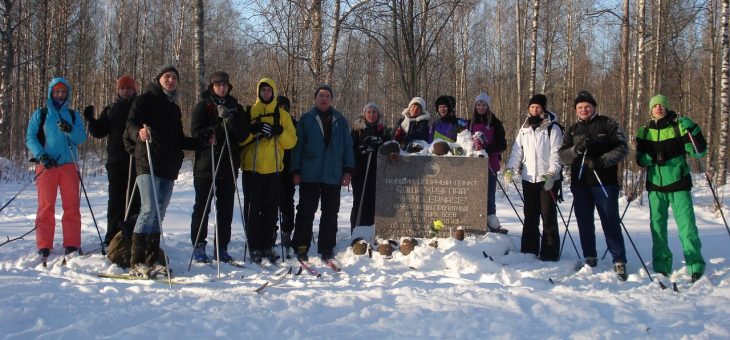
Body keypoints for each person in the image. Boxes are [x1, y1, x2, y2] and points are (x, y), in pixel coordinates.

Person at [124, 65, 197, 277]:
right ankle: (136, 260)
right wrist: (139, 132)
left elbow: (178, 139)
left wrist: (201, 142)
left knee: (160, 212)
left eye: (175, 77)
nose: (171, 80)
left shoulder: (174, 108)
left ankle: (152, 257)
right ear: (159, 79)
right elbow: (130, 124)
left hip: (168, 166)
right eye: (167, 76)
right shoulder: (145, 100)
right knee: (148, 209)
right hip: (147, 162)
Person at [558, 90, 628, 281]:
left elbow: (622, 148)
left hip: (604, 182)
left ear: (594, 107)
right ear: (576, 110)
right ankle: (590, 257)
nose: (583, 110)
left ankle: (619, 259)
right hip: (581, 183)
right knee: (584, 222)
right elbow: (563, 156)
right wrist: (576, 149)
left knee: (610, 220)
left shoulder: (608, 123)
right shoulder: (572, 130)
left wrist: (601, 161)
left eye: (587, 106)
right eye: (580, 107)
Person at [636, 94, 706, 282]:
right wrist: (646, 159)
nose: (658, 108)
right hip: (655, 186)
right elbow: (639, 158)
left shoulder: (679, 127)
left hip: (679, 184)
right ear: (650, 110)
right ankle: (661, 265)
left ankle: (695, 265)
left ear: (666, 108)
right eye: (655, 106)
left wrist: (694, 128)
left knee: (687, 227)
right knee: (657, 228)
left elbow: (699, 151)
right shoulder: (644, 131)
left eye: (662, 105)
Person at [189, 71, 249, 263]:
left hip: (229, 165)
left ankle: (221, 246)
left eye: (224, 84)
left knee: (226, 209)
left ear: (229, 86)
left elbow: (243, 135)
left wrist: (231, 122)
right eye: (218, 85)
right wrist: (216, 129)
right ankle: (199, 245)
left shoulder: (236, 107)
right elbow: (196, 132)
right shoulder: (204, 106)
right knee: (203, 207)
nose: (222, 87)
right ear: (212, 87)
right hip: (206, 165)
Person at [291, 84, 355, 261]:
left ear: (331, 99)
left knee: (330, 212)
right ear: (315, 98)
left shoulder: (340, 121)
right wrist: (295, 170)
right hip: (310, 173)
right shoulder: (306, 119)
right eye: (321, 95)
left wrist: (348, 170)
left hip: (332, 174)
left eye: (327, 96)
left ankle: (326, 246)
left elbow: (348, 147)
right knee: (305, 211)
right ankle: (301, 245)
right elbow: (298, 147)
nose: (324, 98)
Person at [26, 77, 87, 258]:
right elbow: (30, 137)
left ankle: (72, 243)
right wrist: (42, 155)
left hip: (69, 165)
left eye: (63, 92)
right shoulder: (41, 114)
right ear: (51, 93)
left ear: (67, 94)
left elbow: (81, 139)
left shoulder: (74, 115)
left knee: (72, 207)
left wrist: (70, 129)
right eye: (57, 91)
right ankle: (44, 244)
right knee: (46, 207)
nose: (60, 94)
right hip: (47, 166)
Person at [239, 78, 297, 263]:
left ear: (273, 92)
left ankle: (267, 245)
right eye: (263, 90)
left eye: (268, 91)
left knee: (271, 210)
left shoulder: (282, 115)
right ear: (258, 92)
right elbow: (240, 140)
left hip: (274, 169)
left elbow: (291, 142)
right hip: (252, 168)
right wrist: (253, 130)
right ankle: (254, 246)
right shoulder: (249, 112)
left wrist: (279, 131)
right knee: (252, 210)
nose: (266, 93)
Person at [504, 94, 562, 261]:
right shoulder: (524, 129)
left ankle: (549, 253)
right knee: (530, 215)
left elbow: (556, 153)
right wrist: (510, 168)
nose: (535, 110)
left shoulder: (552, 128)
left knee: (548, 216)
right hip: (529, 178)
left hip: (547, 179)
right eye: (532, 107)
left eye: (538, 107)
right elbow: (517, 152)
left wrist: (552, 173)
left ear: (543, 108)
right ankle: (529, 250)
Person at [84, 75, 140, 247]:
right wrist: (91, 120)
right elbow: (100, 131)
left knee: (134, 200)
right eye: (122, 88)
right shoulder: (111, 109)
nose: (125, 91)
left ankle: (131, 236)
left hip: (136, 160)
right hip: (116, 162)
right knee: (115, 199)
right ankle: (113, 237)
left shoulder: (139, 107)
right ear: (118, 90)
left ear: (134, 90)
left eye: (128, 88)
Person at [469, 93, 507, 233]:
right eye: (478, 104)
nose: (481, 107)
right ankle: (475, 221)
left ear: (488, 106)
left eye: (484, 104)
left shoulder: (495, 122)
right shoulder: (471, 122)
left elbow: (502, 144)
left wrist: (488, 150)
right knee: (475, 193)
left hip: (490, 163)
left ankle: (492, 224)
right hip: (474, 165)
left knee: (489, 195)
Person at [350, 102, 390, 233]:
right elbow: (350, 148)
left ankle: (374, 229)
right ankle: (357, 229)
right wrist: (361, 150)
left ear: (378, 114)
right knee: (360, 200)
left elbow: (389, 146)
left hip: (377, 171)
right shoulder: (357, 129)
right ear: (364, 114)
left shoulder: (383, 129)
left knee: (375, 201)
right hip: (361, 171)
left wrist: (380, 146)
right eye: (369, 112)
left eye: (374, 112)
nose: (371, 114)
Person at [276, 95, 297, 249]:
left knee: (287, 202)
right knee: (271, 201)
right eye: (280, 107)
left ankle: (287, 231)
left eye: (286, 107)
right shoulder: (271, 121)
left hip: (288, 169)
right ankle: (270, 230)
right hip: (272, 167)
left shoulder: (293, 123)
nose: (283, 110)